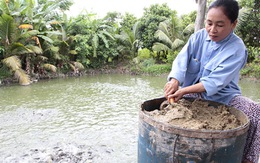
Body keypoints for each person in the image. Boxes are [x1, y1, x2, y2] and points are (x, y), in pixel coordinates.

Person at [163, 0, 260, 163]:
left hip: (224, 97)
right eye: (209, 23)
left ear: (233, 24)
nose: (212, 30)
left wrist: (183, 91)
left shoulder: (237, 48)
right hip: (190, 93)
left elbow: (214, 82)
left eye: (220, 25)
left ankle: (247, 159)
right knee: (164, 105)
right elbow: (181, 60)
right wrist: (175, 81)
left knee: (255, 110)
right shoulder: (199, 37)